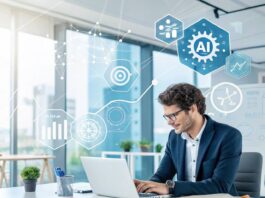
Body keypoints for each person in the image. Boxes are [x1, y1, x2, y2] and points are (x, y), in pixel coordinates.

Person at [134, 83, 242, 197]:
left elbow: (220, 185)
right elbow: (161, 177)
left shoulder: (228, 135)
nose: (169, 122)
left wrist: (171, 188)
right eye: (167, 116)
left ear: (192, 108)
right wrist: (145, 186)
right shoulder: (174, 137)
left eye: (173, 115)